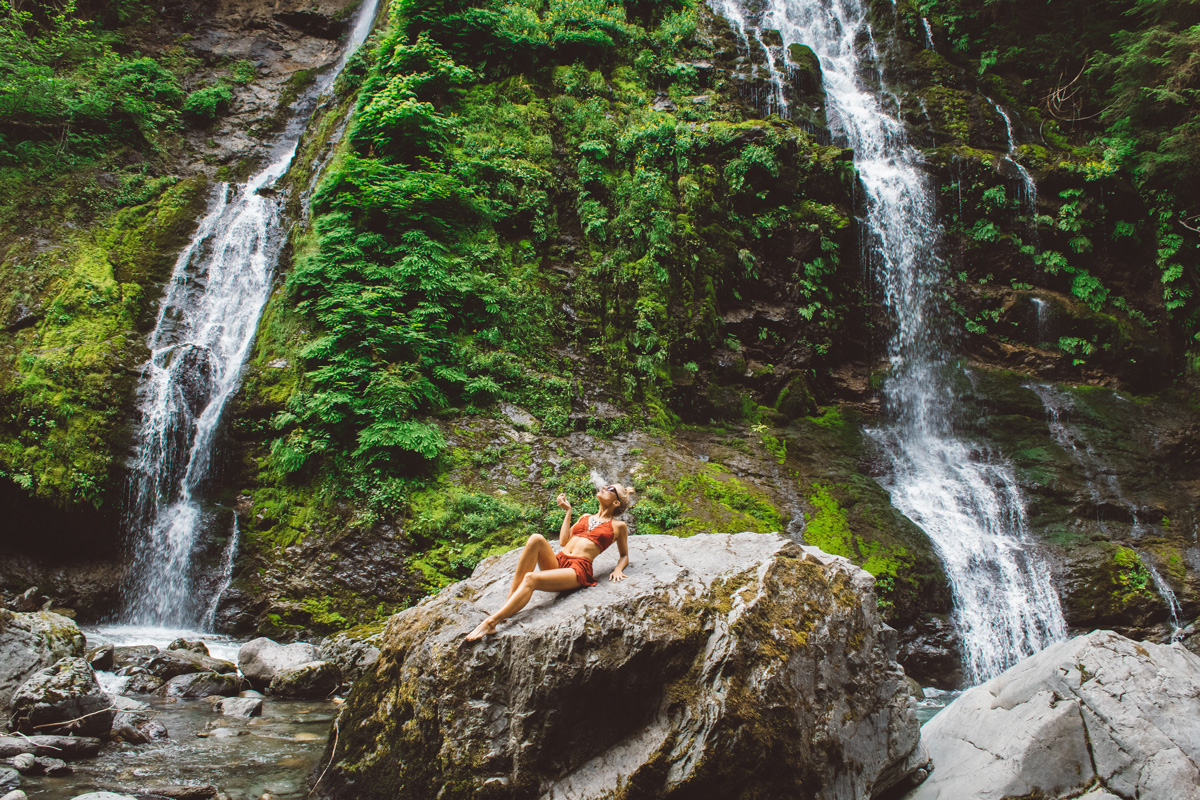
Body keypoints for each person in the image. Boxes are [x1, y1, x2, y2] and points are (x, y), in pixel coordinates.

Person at [465, 484, 632, 641]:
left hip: (577, 570)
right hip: (559, 561)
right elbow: (563, 541)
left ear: (616, 502)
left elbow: (624, 555)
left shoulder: (619, 526)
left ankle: (491, 623)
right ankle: (510, 603)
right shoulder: (585, 517)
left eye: (610, 489)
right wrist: (568, 511)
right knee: (536, 538)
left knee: (531, 578)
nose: (604, 487)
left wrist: (618, 569)